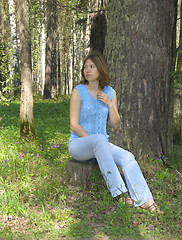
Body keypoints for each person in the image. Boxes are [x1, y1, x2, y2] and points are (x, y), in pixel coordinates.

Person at [68, 51, 163, 215]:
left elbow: (115, 124)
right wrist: (96, 142)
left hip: (101, 145)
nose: (87, 70)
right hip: (79, 145)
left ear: (101, 69)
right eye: (85, 67)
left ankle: (145, 200)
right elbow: (74, 125)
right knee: (99, 140)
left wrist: (110, 104)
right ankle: (119, 193)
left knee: (128, 157)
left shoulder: (111, 93)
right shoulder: (78, 91)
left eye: (92, 66)